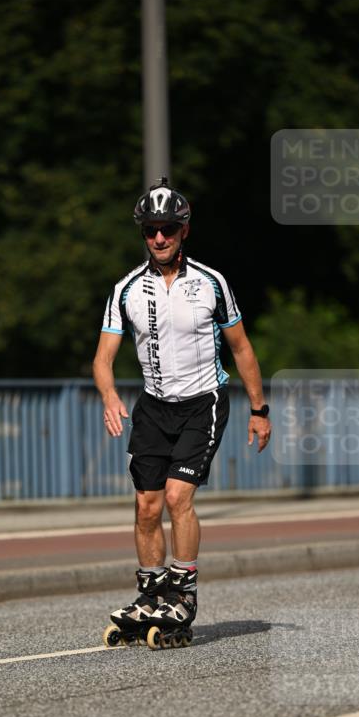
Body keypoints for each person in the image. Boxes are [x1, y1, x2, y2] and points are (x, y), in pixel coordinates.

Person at [93, 176, 271, 640]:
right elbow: (103, 358)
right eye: (151, 229)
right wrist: (110, 394)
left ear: (183, 231)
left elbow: (242, 348)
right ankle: (151, 594)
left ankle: (183, 594)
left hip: (203, 403)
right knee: (146, 506)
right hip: (153, 407)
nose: (159, 238)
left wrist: (260, 408)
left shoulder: (212, 283)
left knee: (176, 498)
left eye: (168, 229)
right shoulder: (126, 289)